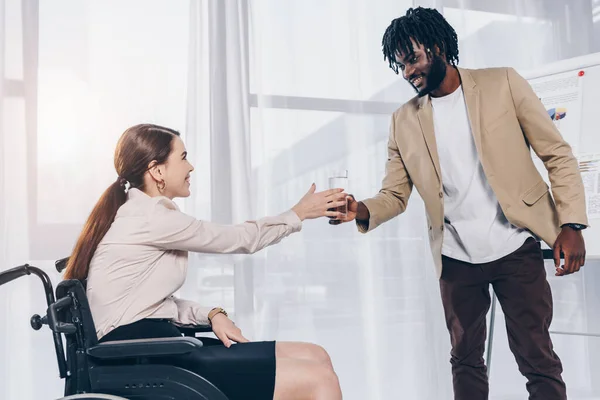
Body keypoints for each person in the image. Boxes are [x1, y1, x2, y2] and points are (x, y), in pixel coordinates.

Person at [331, 7, 587, 400]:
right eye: (400, 65)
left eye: (412, 59)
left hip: (515, 247)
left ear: (437, 46)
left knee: (537, 357)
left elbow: (557, 153)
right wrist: (360, 209)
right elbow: (395, 194)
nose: (407, 73)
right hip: (455, 259)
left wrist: (571, 223)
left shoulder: (503, 83)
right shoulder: (404, 120)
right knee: (465, 360)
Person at [63, 123, 346, 400]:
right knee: (318, 380)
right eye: (183, 157)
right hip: (147, 357)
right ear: (157, 170)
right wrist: (298, 213)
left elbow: (151, 306)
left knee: (315, 355)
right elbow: (238, 238)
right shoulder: (150, 216)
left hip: (158, 344)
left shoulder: (141, 214)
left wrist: (211, 313)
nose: (191, 167)